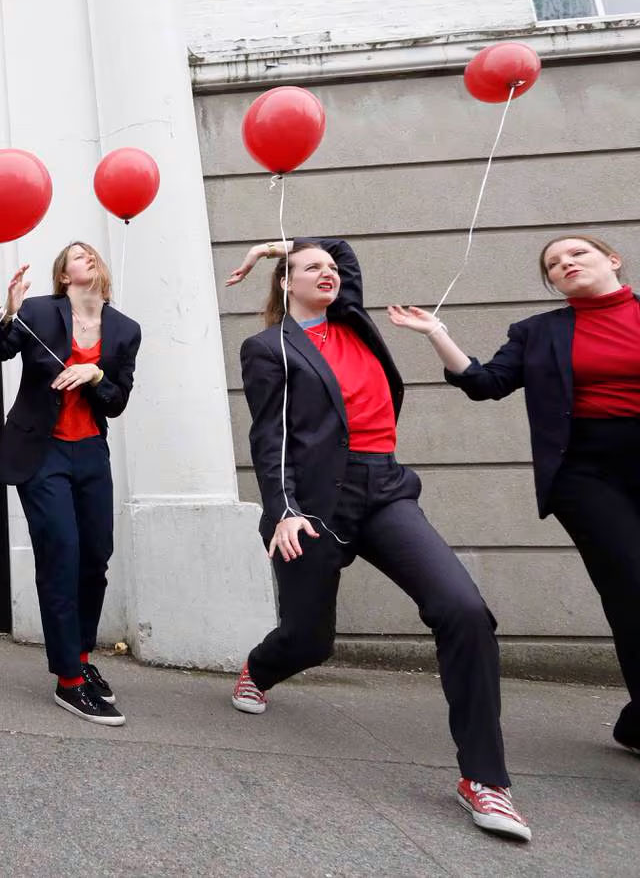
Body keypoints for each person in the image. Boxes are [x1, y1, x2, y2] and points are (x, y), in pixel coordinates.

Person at [226, 237, 530, 842]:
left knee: (465, 611)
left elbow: (342, 253)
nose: (329, 272)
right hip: (313, 503)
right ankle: (258, 669)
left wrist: (278, 244)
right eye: (311, 268)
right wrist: (283, 510)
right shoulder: (268, 348)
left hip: (385, 487)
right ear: (287, 284)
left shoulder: (355, 324)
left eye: (333, 269)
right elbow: (271, 437)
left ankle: (485, 780)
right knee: (310, 642)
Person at [389, 234, 640, 759]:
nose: (565, 263)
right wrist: (437, 333)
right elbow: (486, 383)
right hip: (587, 476)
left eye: (578, 254)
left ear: (612, 260)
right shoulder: (539, 332)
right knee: (633, 591)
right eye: (554, 264)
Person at [0, 242, 139, 725]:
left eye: (92, 252)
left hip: (89, 452)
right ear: (64, 276)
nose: (87, 255)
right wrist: (7, 312)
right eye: (77, 254)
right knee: (61, 553)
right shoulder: (41, 312)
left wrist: (94, 373)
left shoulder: (125, 330)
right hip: (40, 451)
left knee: (95, 558)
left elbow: (116, 402)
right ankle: (68, 680)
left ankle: (82, 660)